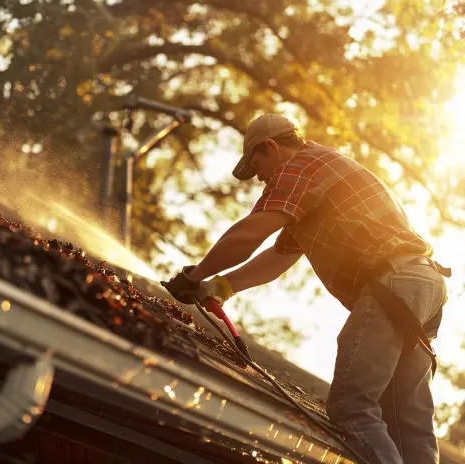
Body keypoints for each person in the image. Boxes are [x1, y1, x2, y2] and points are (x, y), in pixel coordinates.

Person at [162, 113, 450, 464]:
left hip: (393, 286)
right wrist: (223, 285)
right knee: (407, 423)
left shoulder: (300, 165)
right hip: (422, 286)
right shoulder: (325, 175)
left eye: (258, 167)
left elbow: (251, 234)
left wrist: (195, 275)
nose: (261, 180)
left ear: (270, 147)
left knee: (350, 406)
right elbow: (279, 256)